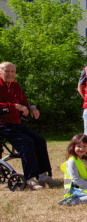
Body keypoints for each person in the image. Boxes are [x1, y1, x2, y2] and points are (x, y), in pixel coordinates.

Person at [0, 62, 61, 190]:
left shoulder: (15, 85)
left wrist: (32, 107)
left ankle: (43, 176)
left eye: (13, 71)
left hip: (16, 123)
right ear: (0, 72)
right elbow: (15, 105)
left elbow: (24, 102)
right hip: (3, 125)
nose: (10, 74)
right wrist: (14, 106)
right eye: (7, 71)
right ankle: (30, 179)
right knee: (27, 143)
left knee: (39, 140)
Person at [58, 134, 87, 205]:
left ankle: (77, 198)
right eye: (78, 146)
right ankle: (72, 201)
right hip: (75, 188)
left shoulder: (86, 160)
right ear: (73, 147)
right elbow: (75, 179)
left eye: (84, 146)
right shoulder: (72, 161)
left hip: (86, 186)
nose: (81, 149)